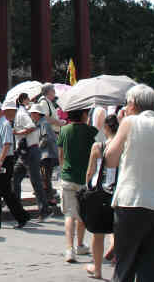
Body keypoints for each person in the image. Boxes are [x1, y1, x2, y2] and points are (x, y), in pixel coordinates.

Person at [105, 84, 154, 282]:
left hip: (133, 203)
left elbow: (110, 159)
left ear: (132, 104)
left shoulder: (130, 122)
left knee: (126, 266)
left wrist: (117, 131)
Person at [0, 100, 30, 229]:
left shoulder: (4, 124)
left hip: (2, 160)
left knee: (2, 190)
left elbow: (7, 144)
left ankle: (17, 216)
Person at [57, 107, 98, 263]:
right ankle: (80, 244)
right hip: (85, 178)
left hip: (68, 176)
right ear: (82, 115)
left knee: (69, 215)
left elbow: (60, 153)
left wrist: (63, 169)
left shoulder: (64, 130)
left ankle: (69, 249)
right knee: (82, 215)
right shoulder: (91, 131)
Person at [84, 114, 119, 279]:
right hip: (118, 191)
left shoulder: (98, 146)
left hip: (100, 192)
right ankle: (118, 265)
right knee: (118, 230)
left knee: (98, 234)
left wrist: (87, 187)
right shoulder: (123, 146)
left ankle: (97, 270)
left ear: (105, 128)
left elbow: (90, 171)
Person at [13, 101, 49, 220]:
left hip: (31, 151)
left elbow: (44, 137)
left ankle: (44, 210)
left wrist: (18, 132)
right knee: (15, 177)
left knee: (36, 181)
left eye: (33, 113)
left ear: (37, 114)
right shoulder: (33, 121)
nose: (31, 114)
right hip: (26, 152)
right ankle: (15, 205)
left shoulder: (40, 124)